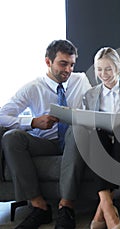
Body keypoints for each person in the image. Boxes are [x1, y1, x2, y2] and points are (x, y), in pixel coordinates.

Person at [0, 39, 91, 229]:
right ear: (48, 62)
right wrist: (32, 122)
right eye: (63, 64)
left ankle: (66, 207)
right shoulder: (33, 87)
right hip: (46, 143)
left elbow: (95, 107)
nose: (68, 70)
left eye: (72, 64)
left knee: (76, 129)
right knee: (11, 138)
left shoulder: (81, 80)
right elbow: (2, 116)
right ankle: (39, 206)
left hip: (74, 140)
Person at [59, 47, 120, 229]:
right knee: (96, 134)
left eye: (108, 69)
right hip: (101, 136)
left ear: (117, 68)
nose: (103, 74)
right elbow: (87, 122)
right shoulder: (90, 95)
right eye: (99, 69)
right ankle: (108, 209)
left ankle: (102, 210)